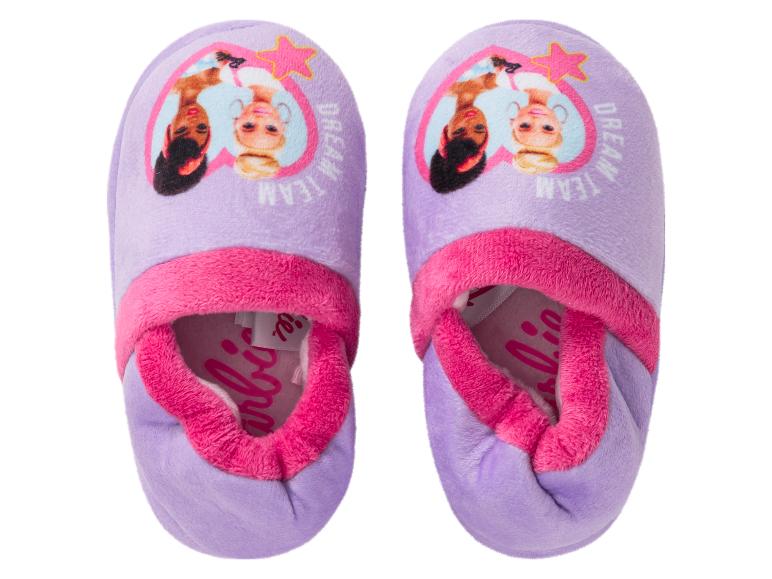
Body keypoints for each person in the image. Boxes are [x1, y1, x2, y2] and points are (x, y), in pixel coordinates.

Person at [153, 66, 222, 195]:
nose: (193, 121)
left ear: (170, 129)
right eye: (201, 128)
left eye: (181, 130)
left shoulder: (162, 84)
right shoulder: (221, 75)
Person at [429, 69, 498, 193]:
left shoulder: (441, 85)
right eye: (479, 128)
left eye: (459, 131)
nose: (470, 121)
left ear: (447, 130)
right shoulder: (496, 80)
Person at [509, 72, 568, 175]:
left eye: (525, 126)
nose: (536, 119)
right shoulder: (566, 82)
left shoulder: (504, 79)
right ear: (559, 125)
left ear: (513, 123)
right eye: (547, 128)